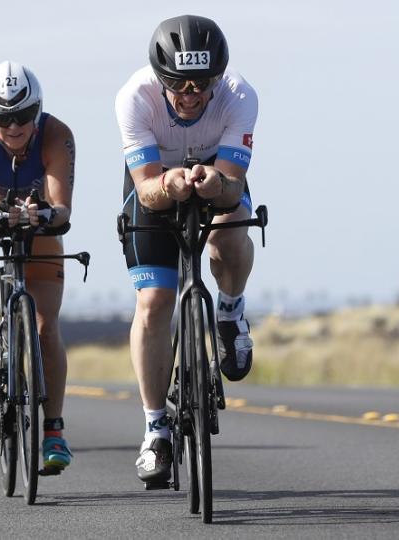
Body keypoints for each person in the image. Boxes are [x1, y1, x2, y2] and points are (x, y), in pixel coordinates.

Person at [115, 15, 259, 484]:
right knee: (154, 302)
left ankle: (230, 312)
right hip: (156, 183)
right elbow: (148, 190)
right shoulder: (134, 98)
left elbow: (233, 189)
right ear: (160, 77)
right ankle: (156, 428)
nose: (192, 92)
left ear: (219, 76)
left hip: (217, 178)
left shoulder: (240, 96)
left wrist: (216, 181)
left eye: (203, 82)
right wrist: (170, 184)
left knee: (232, 229)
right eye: (178, 82)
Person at [0, 60, 77, 473]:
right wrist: (0, 216)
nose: (14, 126)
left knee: (46, 327)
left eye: (23, 116)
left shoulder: (57, 134)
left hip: (36, 213)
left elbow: (62, 210)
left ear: (37, 111)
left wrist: (41, 213)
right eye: (3, 118)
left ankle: (54, 430)